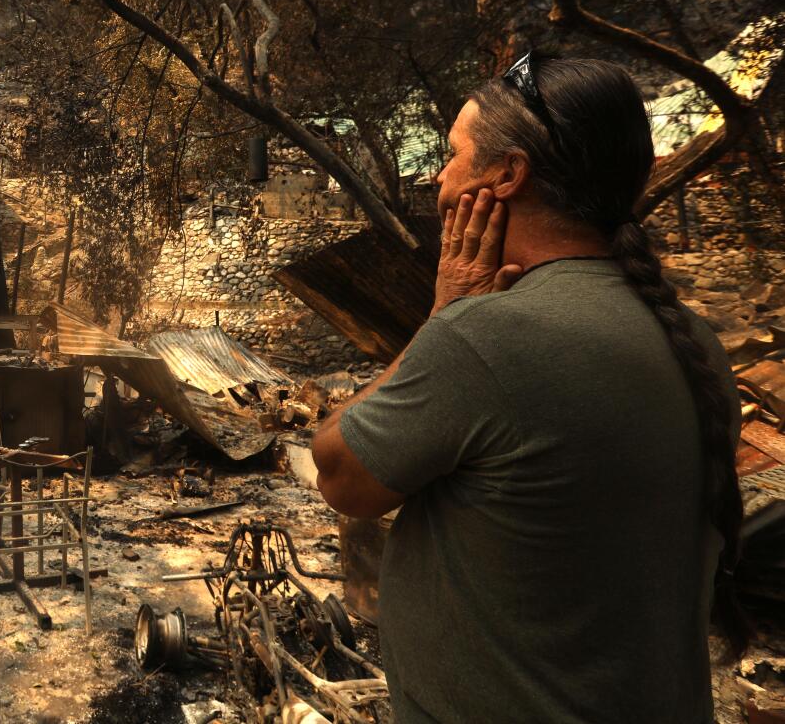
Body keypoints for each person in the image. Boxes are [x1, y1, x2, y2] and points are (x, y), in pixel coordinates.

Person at [310, 55, 744, 724]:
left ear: (507, 175)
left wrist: (443, 313)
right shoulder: (696, 343)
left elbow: (340, 473)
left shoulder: (485, 339)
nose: (439, 177)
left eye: (454, 156)